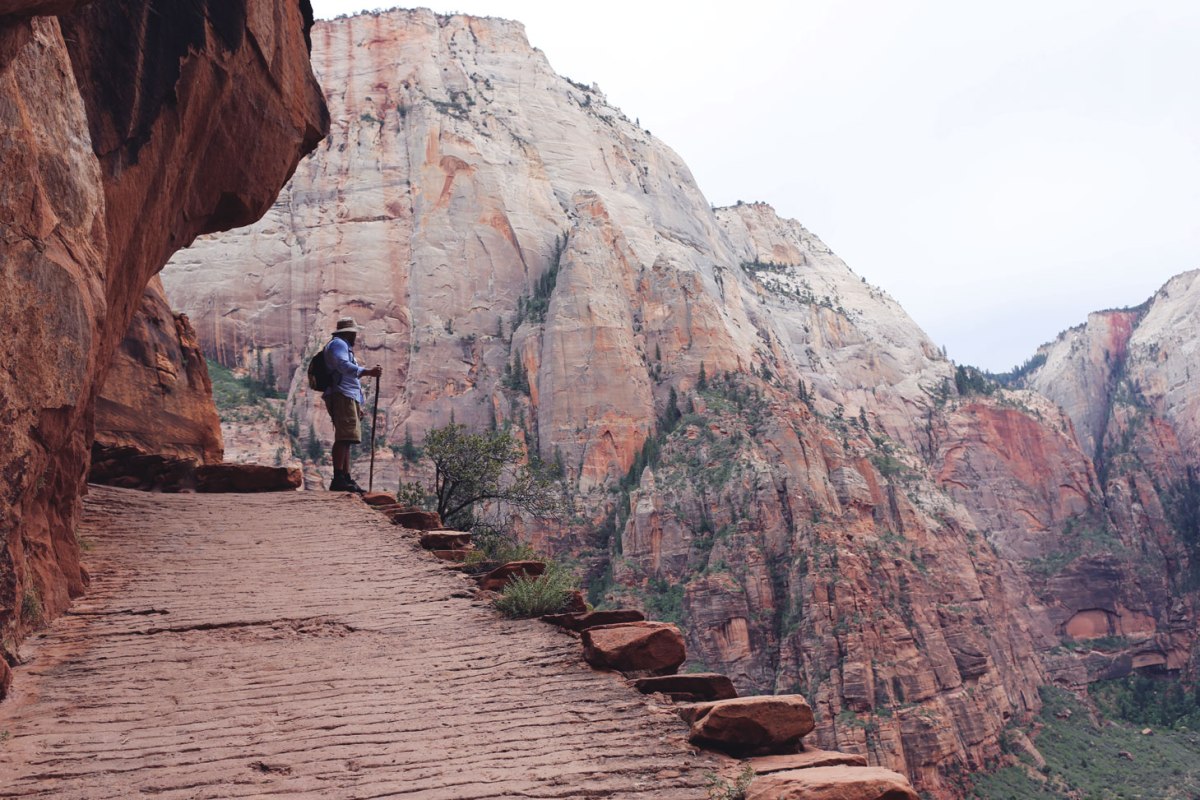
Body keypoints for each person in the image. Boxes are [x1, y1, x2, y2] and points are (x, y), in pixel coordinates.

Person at [323, 316, 382, 492]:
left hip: (347, 395)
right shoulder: (338, 344)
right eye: (354, 333)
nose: (356, 336)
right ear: (348, 333)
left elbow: (349, 377)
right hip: (342, 394)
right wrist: (367, 372)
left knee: (347, 438)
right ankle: (339, 477)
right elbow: (343, 366)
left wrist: (358, 404)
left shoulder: (342, 346)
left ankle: (345, 477)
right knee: (343, 437)